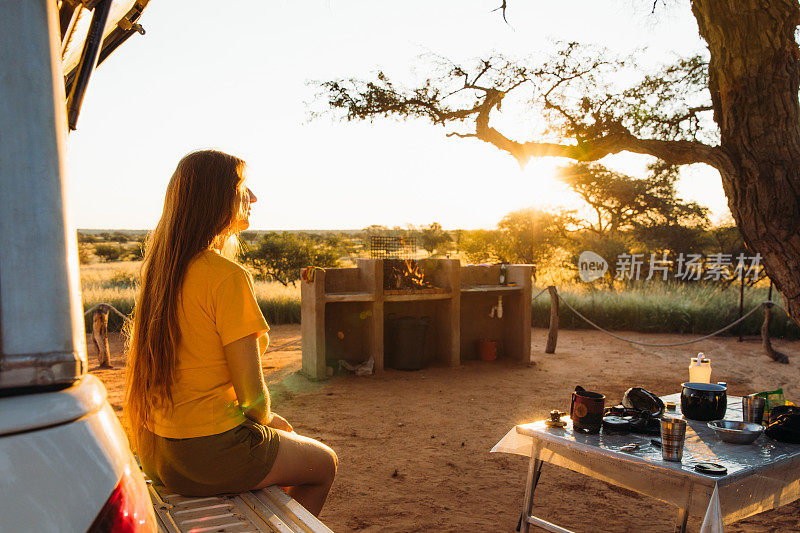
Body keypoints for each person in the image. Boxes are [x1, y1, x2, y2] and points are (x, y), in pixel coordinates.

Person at [124, 149, 337, 516]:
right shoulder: (227, 277)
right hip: (208, 455)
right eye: (242, 187)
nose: (252, 198)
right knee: (325, 464)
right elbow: (254, 399)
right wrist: (273, 424)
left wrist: (273, 430)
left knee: (282, 441)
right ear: (216, 200)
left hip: (161, 453)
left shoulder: (161, 272)